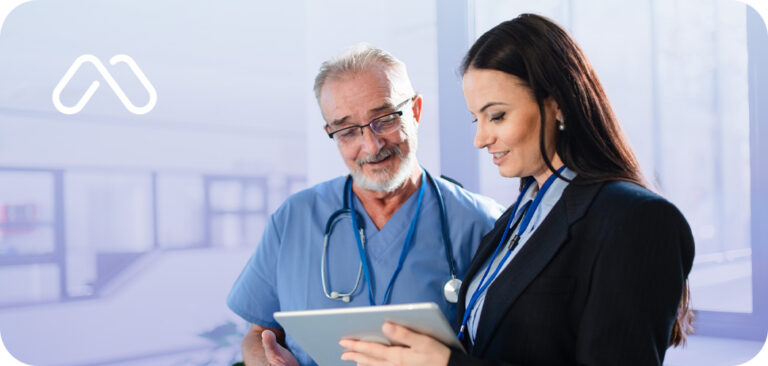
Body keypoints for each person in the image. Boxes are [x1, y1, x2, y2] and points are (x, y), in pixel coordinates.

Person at [339, 14, 695, 366]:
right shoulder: (517, 218)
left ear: (557, 104)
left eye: (496, 116)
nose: (480, 139)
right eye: (475, 119)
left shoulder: (635, 219)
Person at [226, 44, 504, 366]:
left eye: (384, 119)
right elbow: (259, 334)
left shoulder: (482, 224)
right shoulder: (294, 219)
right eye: (347, 131)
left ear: (414, 111)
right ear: (331, 133)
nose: (371, 145)